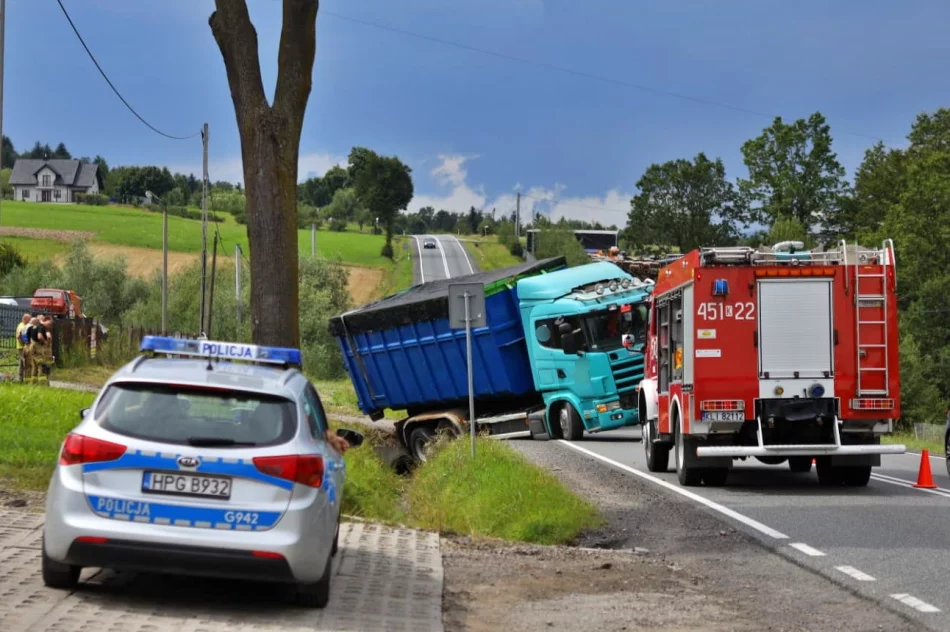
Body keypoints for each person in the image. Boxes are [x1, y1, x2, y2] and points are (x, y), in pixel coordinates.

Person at [15, 314, 30, 382]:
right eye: (29, 319)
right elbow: (19, 337)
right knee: (25, 363)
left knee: (21, 363)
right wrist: (25, 344)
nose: (30, 321)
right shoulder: (22, 326)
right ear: (25, 319)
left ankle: (20, 379)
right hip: (22, 347)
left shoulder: (21, 325)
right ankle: (26, 379)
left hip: (20, 347)